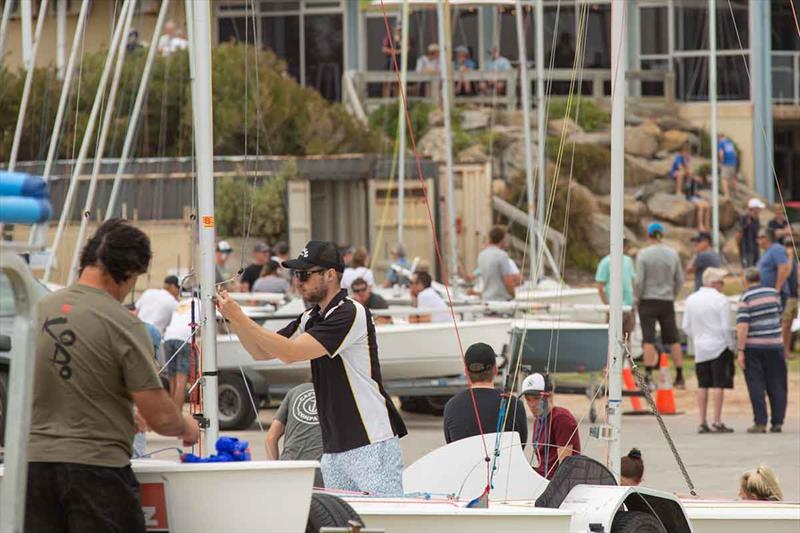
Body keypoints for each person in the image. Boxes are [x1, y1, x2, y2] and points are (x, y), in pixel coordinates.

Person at [26, 219, 200, 531]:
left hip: (33, 472)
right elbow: (159, 417)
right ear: (129, 273)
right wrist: (186, 425)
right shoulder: (123, 323)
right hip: (96, 472)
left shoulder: (37, 311)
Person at [216, 240, 407, 496]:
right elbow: (261, 351)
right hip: (334, 448)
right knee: (342, 524)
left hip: (371, 443)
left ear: (330, 275)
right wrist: (232, 319)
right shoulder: (311, 317)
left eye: (304, 274)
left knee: (383, 522)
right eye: (296, 274)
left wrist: (240, 317)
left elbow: (291, 353)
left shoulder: (349, 312)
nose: (297, 281)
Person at [682, 267, 735, 434]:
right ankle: (717, 421)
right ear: (714, 283)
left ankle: (702, 421)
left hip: (700, 347)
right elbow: (726, 326)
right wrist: (731, 345)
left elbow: (685, 326)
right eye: (721, 282)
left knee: (703, 384)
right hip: (719, 346)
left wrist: (697, 337)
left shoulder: (691, 299)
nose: (723, 286)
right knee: (719, 384)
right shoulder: (722, 300)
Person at [442, 343, 527, 444]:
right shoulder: (514, 405)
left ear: (466, 372)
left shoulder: (451, 406)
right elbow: (520, 446)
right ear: (495, 370)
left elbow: (450, 444)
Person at [736, 268, 788, 433]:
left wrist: (740, 350)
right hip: (775, 345)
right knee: (778, 384)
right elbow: (778, 314)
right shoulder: (773, 293)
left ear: (746, 280)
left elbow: (743, 327)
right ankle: (777, 422)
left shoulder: (746, 297)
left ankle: (760, 422)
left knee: (756, 384)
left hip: (754, 347)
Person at [636, 222, 686, 388]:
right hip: (666, 300)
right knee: (673, 339)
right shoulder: (673, 254)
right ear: (662, 235)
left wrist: (638, 298)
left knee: (648, 339)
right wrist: (672, 294)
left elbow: (639, 281)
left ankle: (649, 376)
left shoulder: (643, 254)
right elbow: (679, 280)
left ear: (649, 235)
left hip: (648, 300)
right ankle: (679, 376)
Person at [521, 373, 580, 480]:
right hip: (541, 478)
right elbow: (542, 464)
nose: (532, 404)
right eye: (528, 399)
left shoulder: (561, 418)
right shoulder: (538, 420)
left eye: (536, 398)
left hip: (554, 483)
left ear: (550, 396)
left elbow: (565, 467)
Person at [266, 383, 325, 487]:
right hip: (320, 471)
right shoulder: (337, 394)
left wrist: (275, 472)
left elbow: (270, 438)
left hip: (288, 468)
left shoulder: (294, 391)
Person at [594, 238, 636, 346]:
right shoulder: (606, 262)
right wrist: (607, 305)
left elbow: (632, 281)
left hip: (628, 306)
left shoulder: (628, 260)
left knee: (627, 338)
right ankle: (610, 362)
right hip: (614, 307)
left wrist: (634, 300)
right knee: (612, 338)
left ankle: (626, 362)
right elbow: (599, 285)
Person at [162, 295, 199, 409]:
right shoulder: (202, 304)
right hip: (184, 339)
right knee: (181, 383)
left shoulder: (182, 303)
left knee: (172, 380)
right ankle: (177, 416)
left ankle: (171, 416)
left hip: (168, 338)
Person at [477, 225, 517, 302]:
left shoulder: (481, 255)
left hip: (486, 299)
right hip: (501, 301)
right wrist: (513, 295)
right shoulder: (502, 255)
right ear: (502, 239)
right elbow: (507, 281)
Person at [756, 228, 791, 308]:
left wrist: (777, 289)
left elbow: (783, 268)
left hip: (776, 293)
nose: (757, 240)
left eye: (759, 237)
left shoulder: (776, 249)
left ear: (767, 238)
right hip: (767, 293)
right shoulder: (766, 251)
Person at [736, 198, 765, 268]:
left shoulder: (756, 219)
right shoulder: (745, 218)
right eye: (758, 208)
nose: (760, 210)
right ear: (754, 208)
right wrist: (739, 248)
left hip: (755, 248)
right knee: (748, 270)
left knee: (756, 269)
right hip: (746, 250)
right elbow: (738, 234)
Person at [782, 237, 798, 356]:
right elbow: (786, 273)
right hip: (787, 296)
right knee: (785, 324)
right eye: (787, 245)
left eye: (791, 245)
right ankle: (782, 351)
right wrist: (790, 256)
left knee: (790, 325)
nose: (790, 248)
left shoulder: (795, 261)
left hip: (794, 295)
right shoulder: (785, 259)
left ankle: (786, 351)